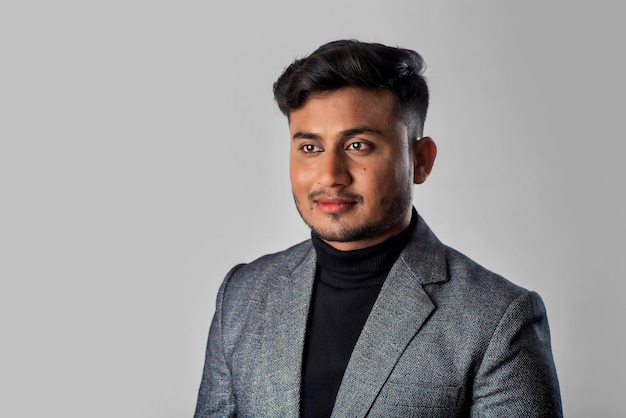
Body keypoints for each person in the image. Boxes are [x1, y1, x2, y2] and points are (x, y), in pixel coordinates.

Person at [194, 39, 562, 417]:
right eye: (310, 148)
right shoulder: (242, 296)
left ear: (420, 161)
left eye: (358, 145)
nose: (331, 176)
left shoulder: (498, 318)